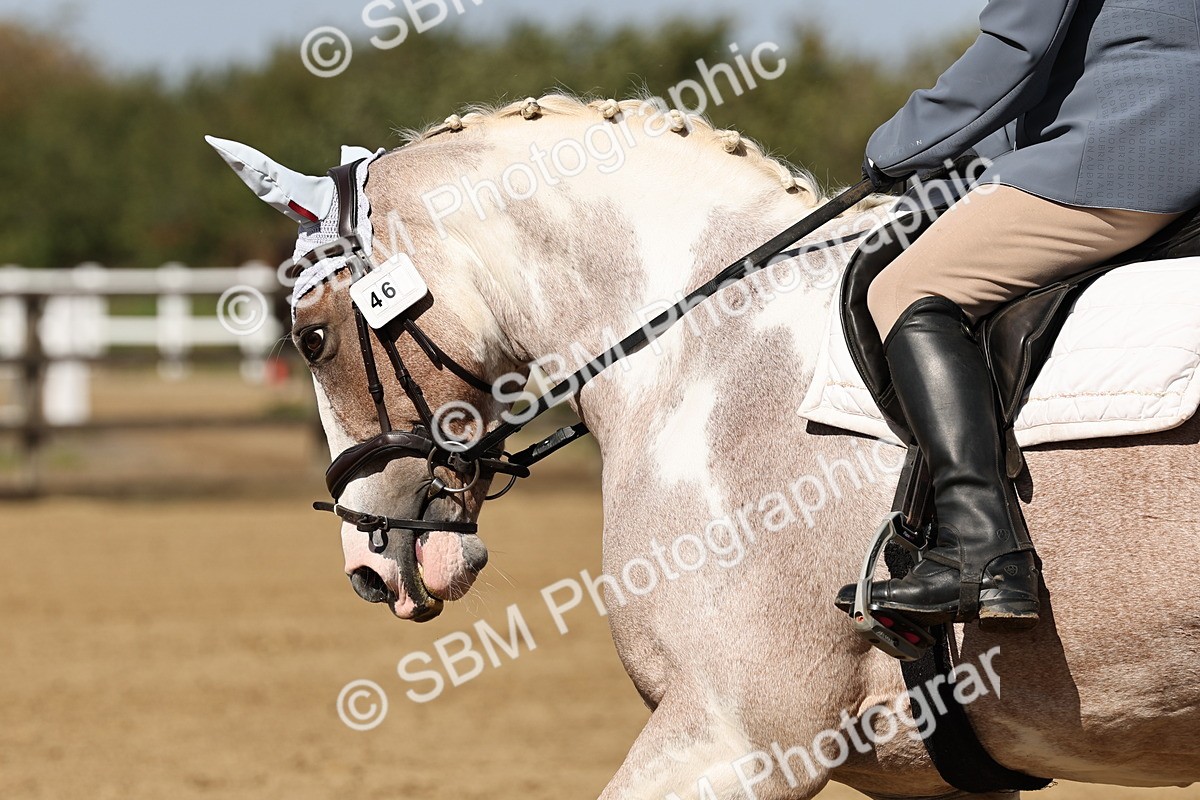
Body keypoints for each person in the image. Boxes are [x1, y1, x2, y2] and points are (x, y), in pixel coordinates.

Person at [836, 0, 1200, 631]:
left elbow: (1017, 48)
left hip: (1134, 143)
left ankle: (979, 548)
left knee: (904, 287)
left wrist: (897, 149)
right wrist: (964, 160)